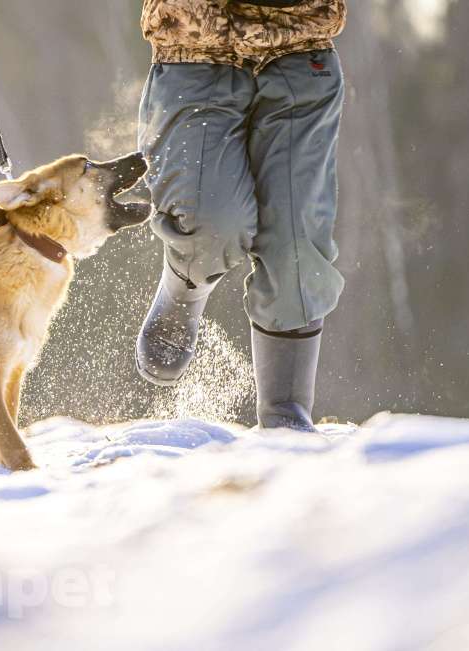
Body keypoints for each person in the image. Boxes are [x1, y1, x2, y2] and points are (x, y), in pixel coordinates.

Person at [135, 0, 347, 431]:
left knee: (297, 244)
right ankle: (185, 288)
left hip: (301, 42)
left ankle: (286, 413)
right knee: (210, 220)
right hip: (196, 45)